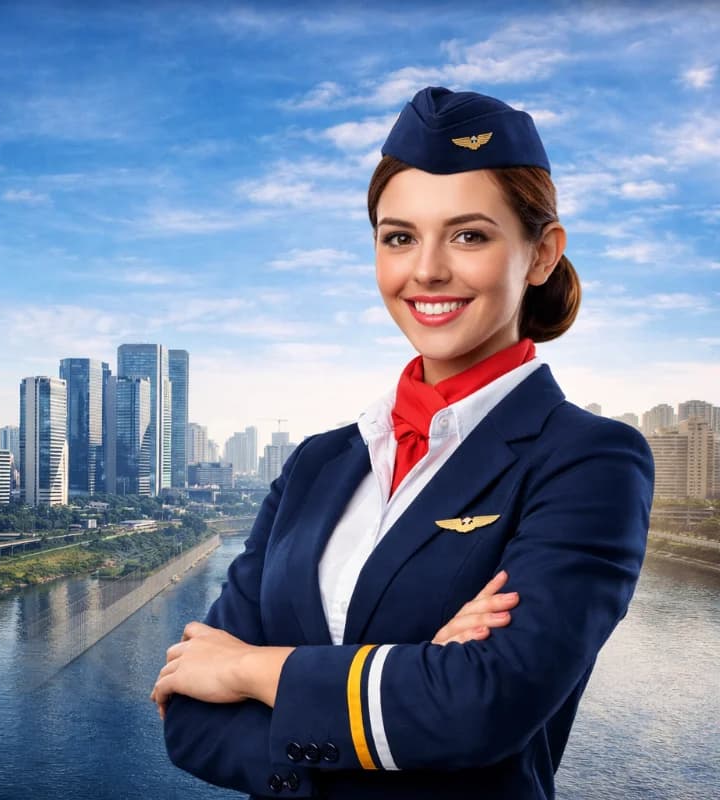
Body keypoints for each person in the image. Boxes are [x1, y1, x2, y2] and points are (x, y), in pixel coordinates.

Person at [150, 86, 654, 799]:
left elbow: (482, 706)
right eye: (399, 237)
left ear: (541, 254)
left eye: (470, 235)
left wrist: (252, 671)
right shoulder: (316, 463)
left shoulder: (590, 460)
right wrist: (410, 678)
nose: (427, 271)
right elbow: (190, 717)